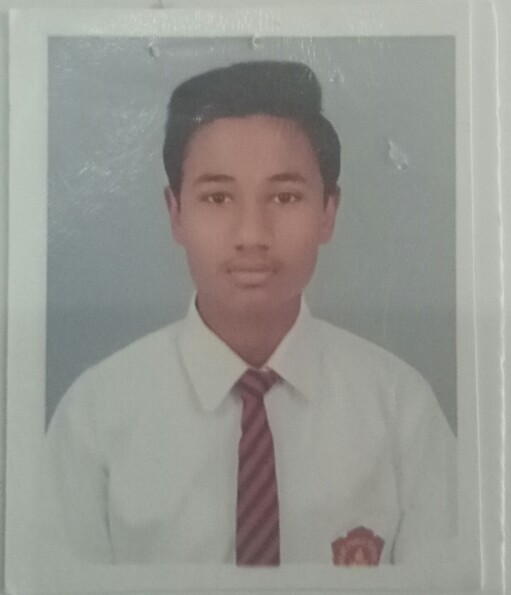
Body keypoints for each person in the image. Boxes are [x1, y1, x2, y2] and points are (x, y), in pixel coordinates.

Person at [44, 60, 456, 566]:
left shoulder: (400, 408)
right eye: (217, 197)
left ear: (328, 212)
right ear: (176, 212)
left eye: (285, 196)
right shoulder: (94, 416)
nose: (252, 235)